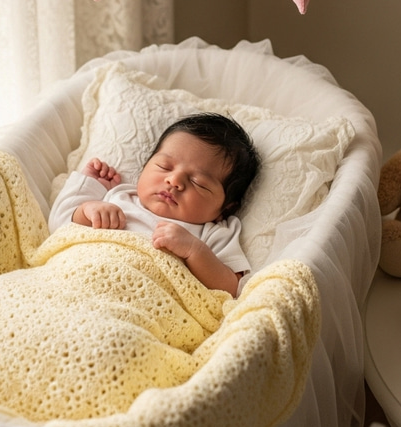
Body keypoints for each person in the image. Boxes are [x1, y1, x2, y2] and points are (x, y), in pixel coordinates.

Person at [48, 113, 261, 296]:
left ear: (224, 208)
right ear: (145, 167)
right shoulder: (120, 196)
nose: (175, 181)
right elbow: (59, 225)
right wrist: (88, 207)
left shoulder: (213, 233)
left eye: (199, 183)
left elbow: (232, 289)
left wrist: (193, 250)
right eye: (164, 166)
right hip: (73, 279)